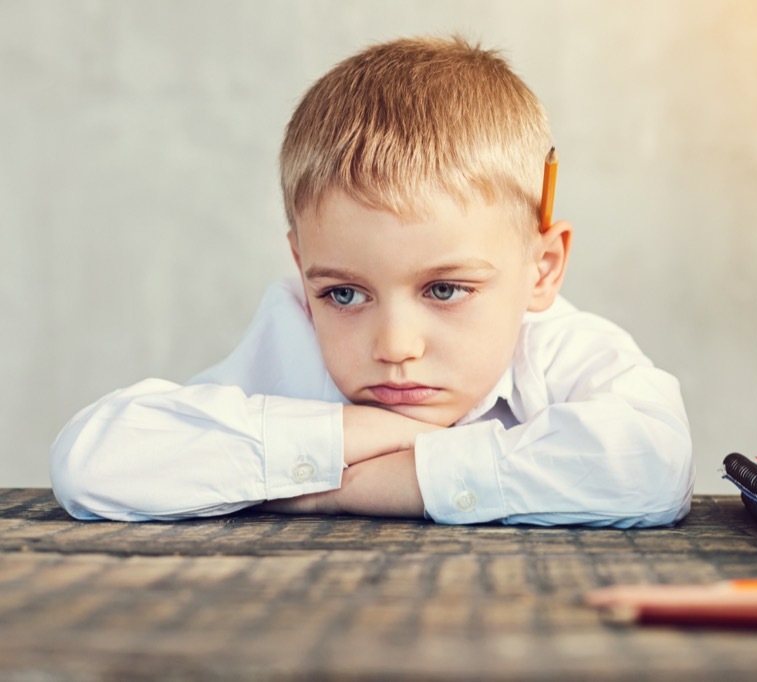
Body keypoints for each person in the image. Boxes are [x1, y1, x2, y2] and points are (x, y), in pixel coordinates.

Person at [50, 36, 694, 526]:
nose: (394, 347)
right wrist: (363, 434)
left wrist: (343, 486)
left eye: (444, 289)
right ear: (304, 274)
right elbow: (92, 465)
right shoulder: (291, 330)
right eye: (345, 294)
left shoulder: (561, 347)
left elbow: (653, 465)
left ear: (542, 270)